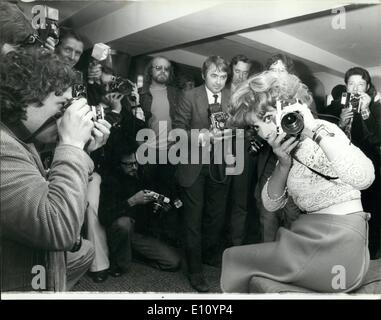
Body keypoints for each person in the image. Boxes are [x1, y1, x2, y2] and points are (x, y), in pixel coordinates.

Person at [220, 71, 375, 293]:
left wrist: (314, 130)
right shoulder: (287, 145)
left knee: (239, 262)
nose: (262, 133)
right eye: (255, 127)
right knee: (234, 257)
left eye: (263, 120)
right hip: (306, 235)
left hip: (339, 241)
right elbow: (271, 204)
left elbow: (364, 177)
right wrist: (283, 163)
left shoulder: (323, 129)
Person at [0, 47, 111, 291]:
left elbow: (44, 192)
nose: (65, 116)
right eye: (61, 106)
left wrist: (81, 152)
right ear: (26, 98)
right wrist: (71, 145)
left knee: (86, 251)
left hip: (36, 266)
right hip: (16, 282)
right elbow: (58, 228)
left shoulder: (22, 140)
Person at [173, 55, 232, 292]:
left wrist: (232, 132)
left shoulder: (232, 97)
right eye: (214, 75)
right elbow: (177, 131)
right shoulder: (189, 96)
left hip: (221, 165)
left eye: (223, 76)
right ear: (203, 75)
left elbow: (239, 126)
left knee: (216, 218)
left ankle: (204, 255)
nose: (218, 81)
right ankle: (195, 272)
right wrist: (201, 136)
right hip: (193, 165)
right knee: (193, 221)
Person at [98, 144, 181, 274]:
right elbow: (104, 216)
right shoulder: (111, 181)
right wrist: (132, 201)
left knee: (173, 262)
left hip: (140, 233)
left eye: (136, 163)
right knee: (123, 224)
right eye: (129, 164)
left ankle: (135, 255)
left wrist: (159, 205)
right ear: (119, 164)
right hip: (120, 232)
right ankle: (120, 264)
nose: (134, 167)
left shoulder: (141, 173)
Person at [326, 67, 381, 259]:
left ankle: (370, 254)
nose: (356, 89)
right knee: (346, 211)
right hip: (341, 169)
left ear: (367, 87)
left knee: (371, 209)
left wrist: (365, 112)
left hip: (369, 169)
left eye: (361, 84)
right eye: (351, 84)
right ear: (346, 86)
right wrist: (340, 124)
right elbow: (326, 140)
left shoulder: (376, 108)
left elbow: (377, 139)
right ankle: (347, 253)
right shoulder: (335, 107)